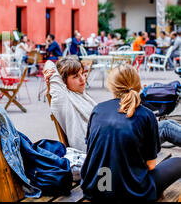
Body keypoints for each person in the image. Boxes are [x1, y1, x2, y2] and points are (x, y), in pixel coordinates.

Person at [80, 65, 181, 201]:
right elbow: (150, 165)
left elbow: (92, 152)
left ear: (111, 86)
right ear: (137, 85)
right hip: (133, 193)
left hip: (96, 189)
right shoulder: (146, 114)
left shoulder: (98, 110)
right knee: (178, 163)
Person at [43, 60, 181, 151]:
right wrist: (50, 76)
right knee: (165, 127)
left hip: (111, 145)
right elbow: (49, 63)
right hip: (102, 150)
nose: (82, 79)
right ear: (62, 82)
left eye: (82, 74)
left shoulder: (81, 95)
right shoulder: (65, 100)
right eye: (75, 77)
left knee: (164, 125)